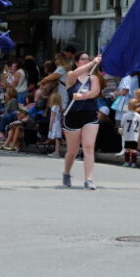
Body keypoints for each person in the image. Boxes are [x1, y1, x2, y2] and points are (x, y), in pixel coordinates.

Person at [62, 52, 102, 190]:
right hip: (73, 115)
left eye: (88, 59)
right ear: (77, 62)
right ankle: (66, 173)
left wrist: (83, 96)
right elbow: (73, 75)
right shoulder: (71, 75)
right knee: (72, 150)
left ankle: (89, 179)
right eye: (83, 59)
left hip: (89, 114)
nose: (86, 61)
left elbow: (95, 92)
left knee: (89, 147)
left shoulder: (94, 78)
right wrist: (93, 62)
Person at [120, 99, 140, 167]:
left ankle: (127, 162)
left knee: (127, 149)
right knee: (133, 150)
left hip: (127, 135)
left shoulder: (125, 115)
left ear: (129, 106)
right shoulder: (138, 115)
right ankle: (134, 163)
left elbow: (122, 124)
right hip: (135, 135)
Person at [46, 91, 63, 157]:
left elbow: (52, 117)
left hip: (54, 124)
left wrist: (50, 126)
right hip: (58, 123)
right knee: (57, 138)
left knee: (56, 138)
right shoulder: (59, 107)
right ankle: (56, 151)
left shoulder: (54, 107)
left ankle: (56, 152)